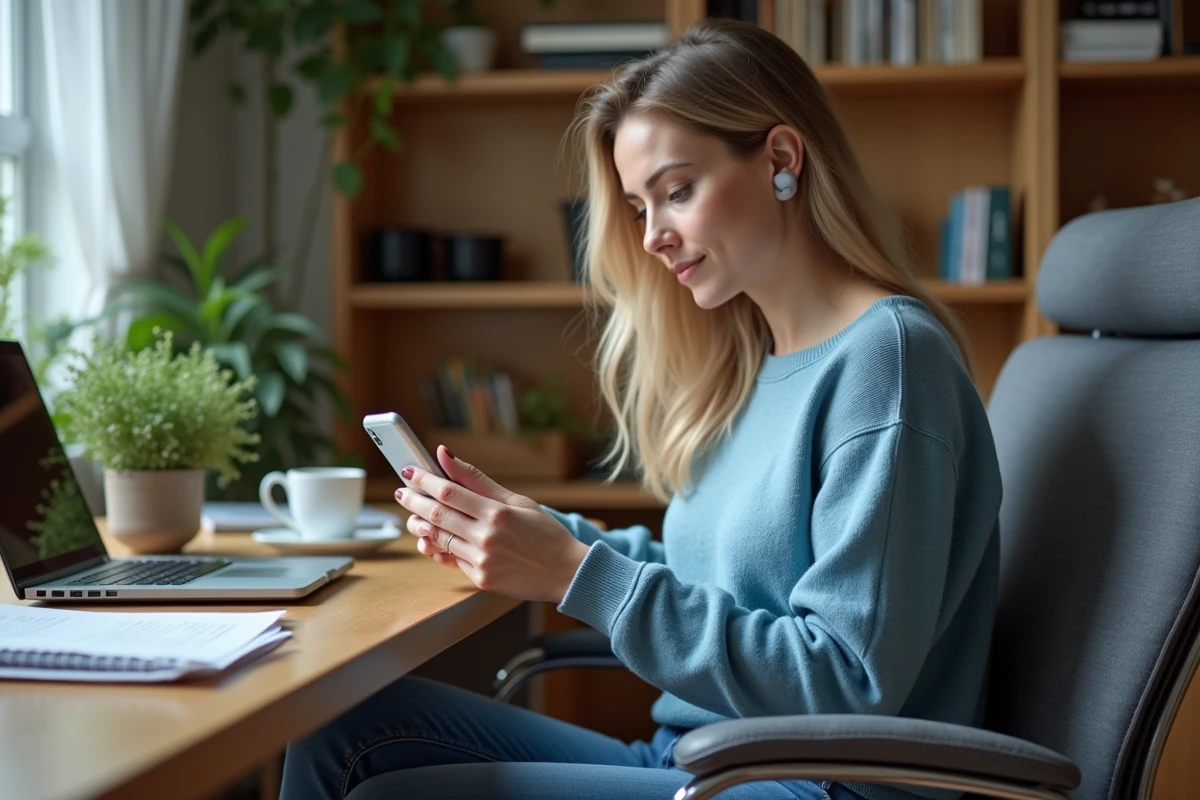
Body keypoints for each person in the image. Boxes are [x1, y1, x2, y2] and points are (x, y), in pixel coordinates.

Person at [280, 17, 1002, 800]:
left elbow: (845, 683)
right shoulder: (757, 361)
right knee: (336, 722)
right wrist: (547, 537)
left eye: (677, 192)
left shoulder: (886, 363)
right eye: (638, 207)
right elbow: (716, 584)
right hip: (704, 757)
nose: (654, 236)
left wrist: (572, 574)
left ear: (782, 160)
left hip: (811, 785)